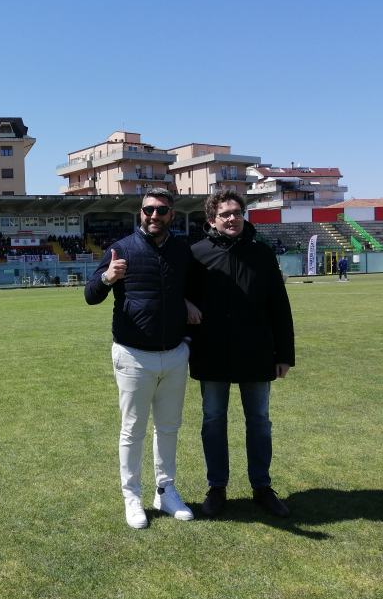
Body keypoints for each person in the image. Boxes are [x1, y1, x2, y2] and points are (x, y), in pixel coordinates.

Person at [85, 188, 199, 529]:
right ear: (140, 212)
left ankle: (165, 491)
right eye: (148, 209)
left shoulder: (182, 250)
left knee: (169, 428)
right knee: (132, 430)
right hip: (133, 355)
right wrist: (108, 277)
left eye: (161, 210)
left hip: (175, 354)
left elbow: (189, 289)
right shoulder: (122, 248)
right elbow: (91, 295)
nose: (154, 215)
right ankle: (131, 496)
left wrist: (186, 304)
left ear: (171, 215)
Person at [187, 189, 295, 518]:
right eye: (225, 214)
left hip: (256, 352)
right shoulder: (197, 253)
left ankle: (262, 487)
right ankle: (217, 488)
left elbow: (279, 304)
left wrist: (285, 353)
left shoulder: (261, 252)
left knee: (259, 423)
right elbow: (180, 293)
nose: (232, 218)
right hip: (212, 353)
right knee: (213, 422)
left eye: (236, 212)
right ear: (211, 220)